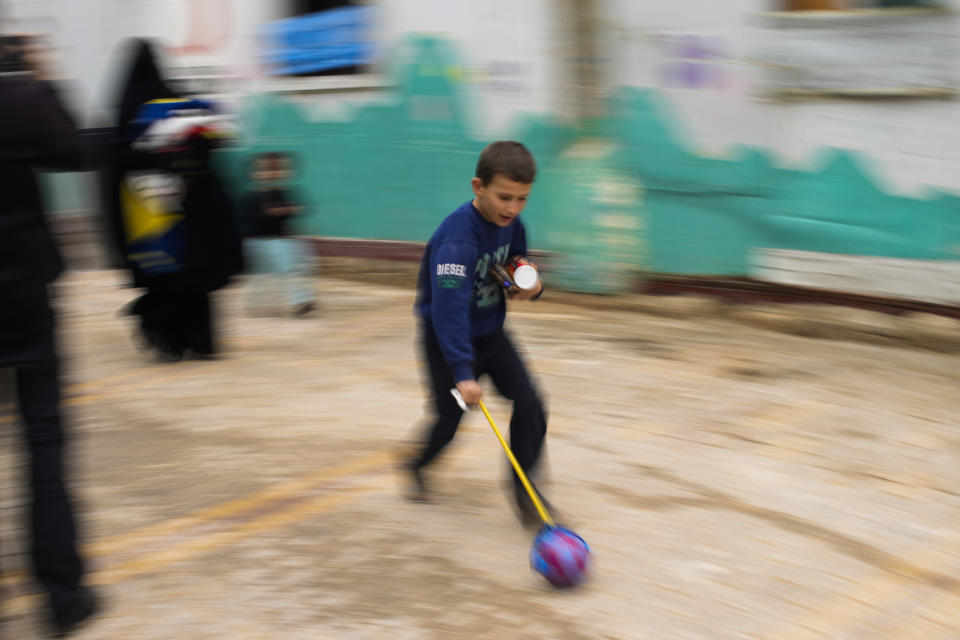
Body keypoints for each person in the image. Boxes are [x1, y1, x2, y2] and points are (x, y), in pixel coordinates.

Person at [0, 33, 98, 637]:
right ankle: (62, 594)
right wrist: (40, 77)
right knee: (43, 444)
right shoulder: (19, 97)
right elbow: (76, 149)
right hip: (23, 296)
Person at [405, 141, 550, 527]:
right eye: (505, 197)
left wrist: (530, 282)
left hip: (491, 334)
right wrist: (463, 372)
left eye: (522, 199)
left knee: (532, 403)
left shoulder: (511, 224)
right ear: (478, 187)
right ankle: (416, 464)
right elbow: (447, 311)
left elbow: (518, 258)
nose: (513, 208)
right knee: (448, 422)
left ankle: (526, 490)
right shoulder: (457, 241)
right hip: (448, 344)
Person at [102, 39, 242, 360]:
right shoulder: (168, 110)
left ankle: (179, 341)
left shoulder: (132, 119)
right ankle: (188, 341)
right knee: (188, 279)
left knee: (171, 278)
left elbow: (118, 178)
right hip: (181, 215)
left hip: (156, 218)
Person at [240, 151, 316, 316]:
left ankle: (301, 300)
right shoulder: (250, 196)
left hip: (278, 240)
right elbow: (253, 218)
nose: (272, 173)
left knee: (294, 266)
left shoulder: (282, 192)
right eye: (266, 170)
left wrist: (282, 211)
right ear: (254, 174)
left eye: (277, 169)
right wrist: (276, 212)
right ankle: (295, 301)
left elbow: (295, 210)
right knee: (270, 273)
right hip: (257, 242)